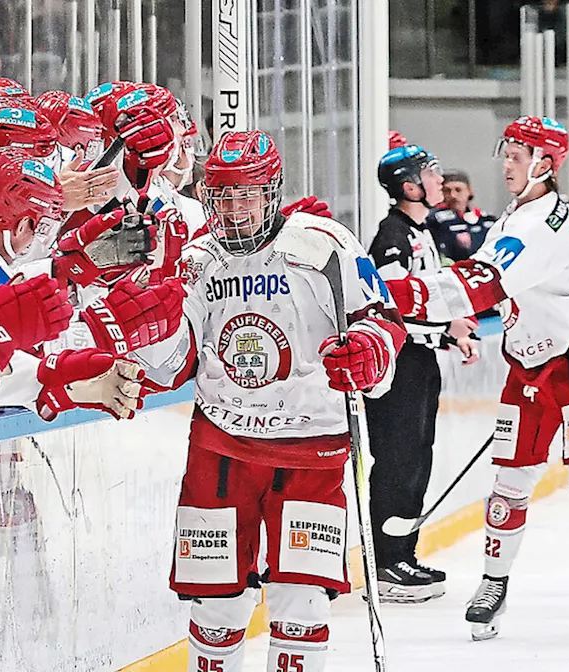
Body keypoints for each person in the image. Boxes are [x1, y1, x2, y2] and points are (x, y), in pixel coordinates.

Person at [132, 130, 406, 672]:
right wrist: (150, 318)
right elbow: (174, 361)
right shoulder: (196, 258)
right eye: (223, 197)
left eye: (246, 196)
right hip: (221, 447)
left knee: (300, 600)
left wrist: (369, 351)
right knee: (215, 604)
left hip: (311, 447)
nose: (232, 211)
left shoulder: (325, 244)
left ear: (272, 191)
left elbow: (382, 318)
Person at [384, 116, 569, 646]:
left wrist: (397, 295)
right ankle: (494, 583)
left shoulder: (542, 225)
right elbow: (478, 277)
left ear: (546, 162)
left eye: (517, 154)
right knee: (509, 484)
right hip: (529, 361)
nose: (506, 161)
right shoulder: (513, 217)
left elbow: (481, 282)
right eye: (506, 152)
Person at [365, 143, 479, 603]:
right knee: (397, 461)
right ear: (409, 186)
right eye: (430, 174)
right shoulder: (392, 234)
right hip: (399, 365)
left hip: (420, 361)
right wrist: (445, 324)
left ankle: (403, 555)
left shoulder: (421, 231)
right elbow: (392, 305)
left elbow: (429, 299)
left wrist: (451, 334)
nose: (438, 180)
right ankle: (387, 562)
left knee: (417, 459)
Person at [429, 168, 495, 261]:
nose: (453, 195)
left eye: (458, 190)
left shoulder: (487, 219)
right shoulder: (433, 220)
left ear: (469, 191)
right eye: (447, 191)